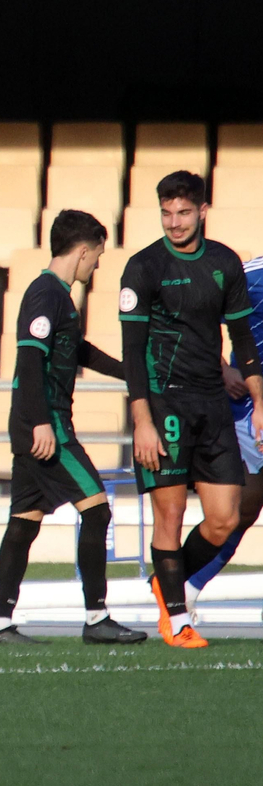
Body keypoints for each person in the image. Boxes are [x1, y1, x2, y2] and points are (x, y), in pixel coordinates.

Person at [0, 210, 145, 645]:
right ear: (83, 251)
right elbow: (30, 360)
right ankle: (97, 619)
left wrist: (132, 372)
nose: (97, 266)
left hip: (36, 424)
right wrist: (40, 422)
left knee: (23, 523)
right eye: (97, 257)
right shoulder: (45, 294)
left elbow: (80, 351)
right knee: (97, 508)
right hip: (47, 425)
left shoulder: (57, 297)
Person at [120, 171, 263, 649]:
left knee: (226, 516)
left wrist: (258, 398)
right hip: (164, 403)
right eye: (166, 212)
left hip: (212, 403)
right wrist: (142, 420)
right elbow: (133, 350)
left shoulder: (224, 262)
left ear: (202, 211)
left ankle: (167, 583)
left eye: (183, 212)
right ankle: (177, 619)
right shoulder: (143, 267)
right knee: (171, 513)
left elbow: (242, 338)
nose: (174, 222)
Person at [184, 254, 263, 610]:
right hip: (250, 411)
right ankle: (180, 585)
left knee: (245, 510)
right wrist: (222, 369)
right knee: (238, 511)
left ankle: (183, 587)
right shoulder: (254, 275)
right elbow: (193, 315)